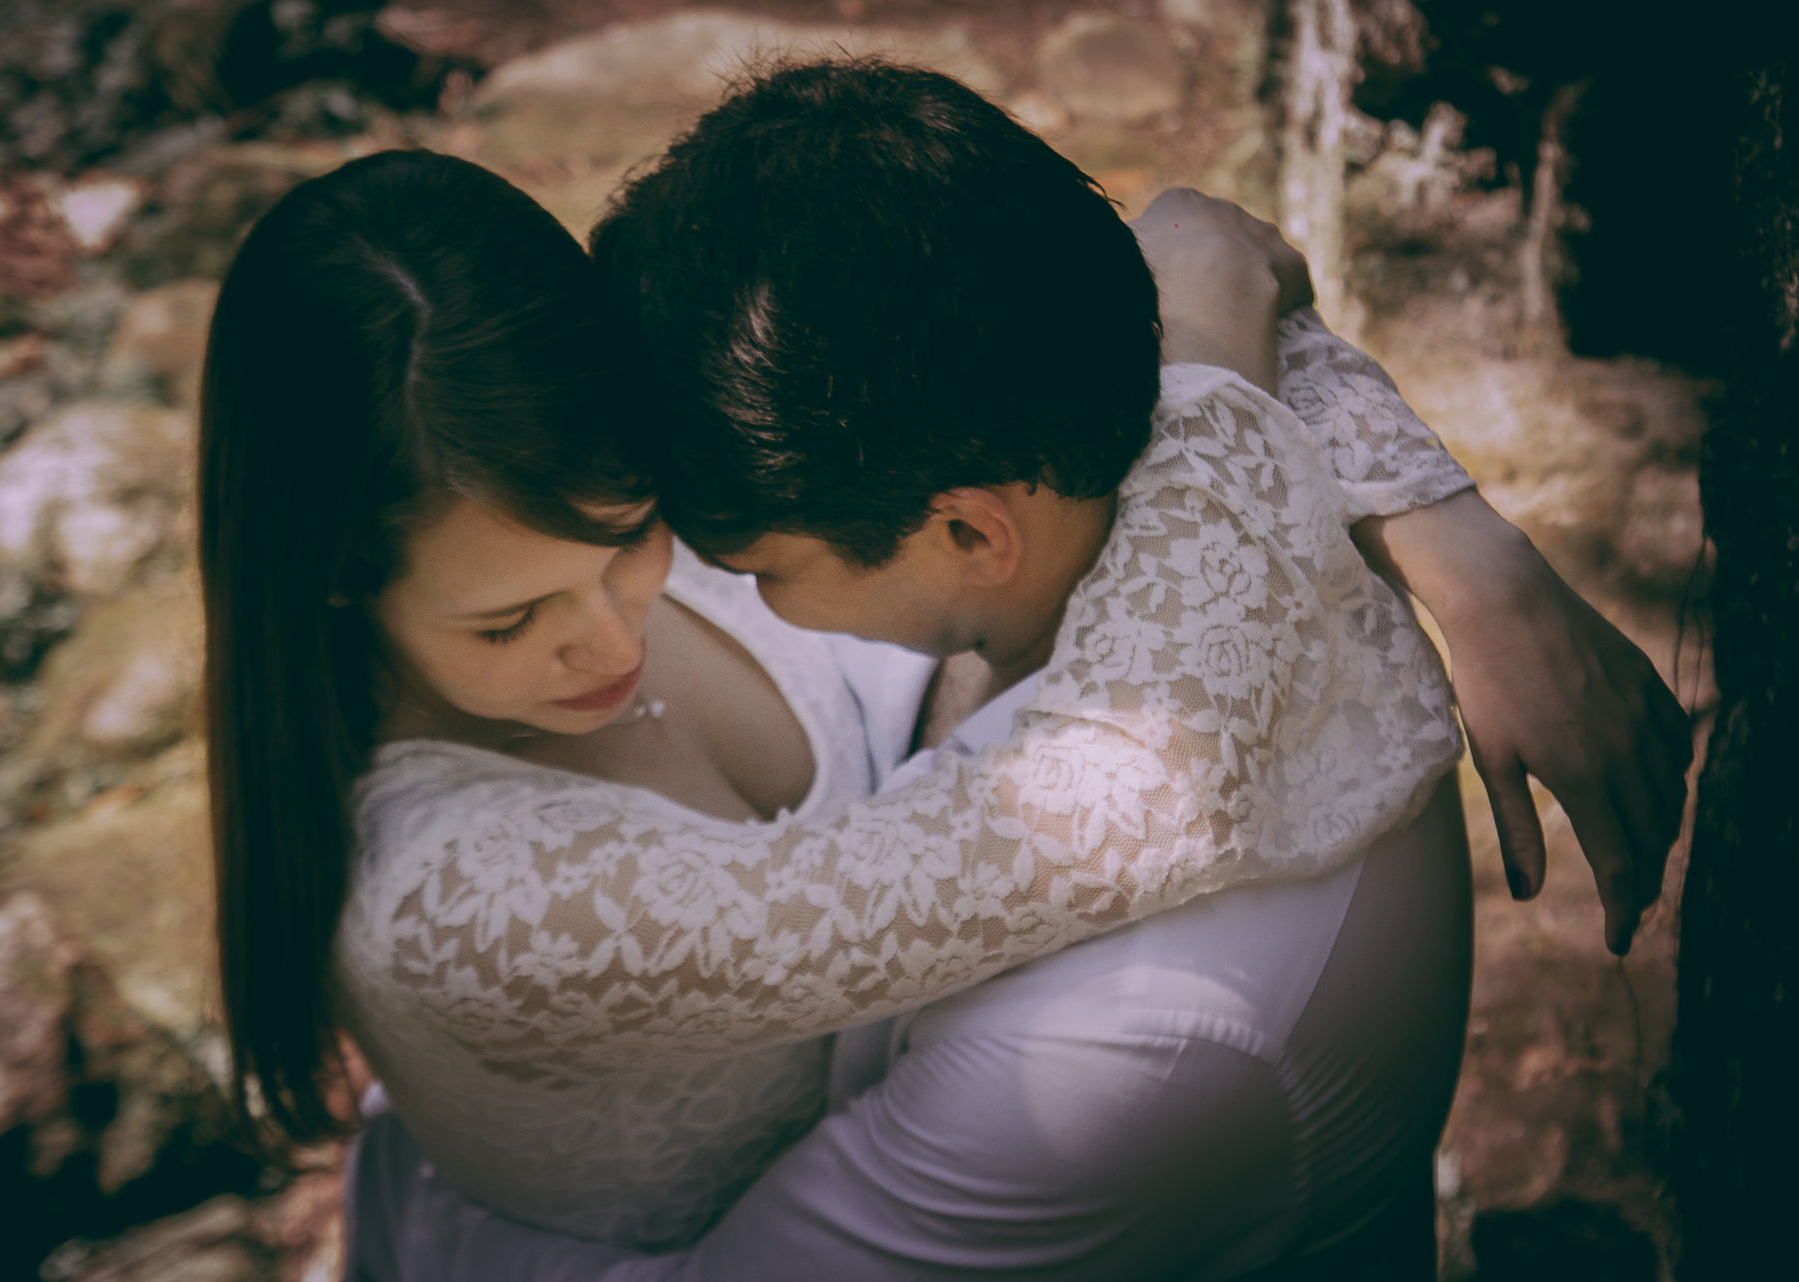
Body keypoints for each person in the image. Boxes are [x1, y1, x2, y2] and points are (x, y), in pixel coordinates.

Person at [332, 61, 1693, 1279]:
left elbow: (1133, 775)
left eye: (751, 568)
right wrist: (1453, 534)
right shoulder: (1144, 466)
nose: (635, 635)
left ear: (973, 531)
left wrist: (431, 1217)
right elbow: (1179, 285)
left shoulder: (1111, 1057)